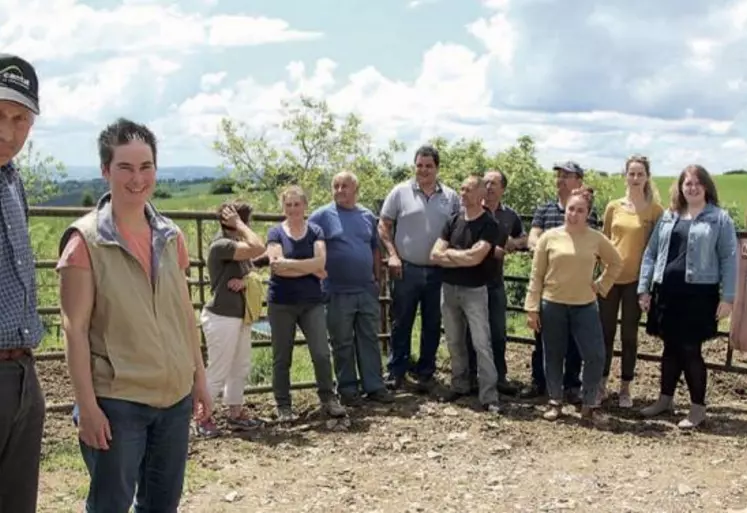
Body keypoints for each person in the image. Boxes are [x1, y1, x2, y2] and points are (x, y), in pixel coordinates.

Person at [57, 118, 212, 512]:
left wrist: (199, 378)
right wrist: (86, 406)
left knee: (163, 505)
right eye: (125, 167)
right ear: (105, 170)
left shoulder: (171, 236)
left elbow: (183, 316)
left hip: (174, 398)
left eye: (146, 167)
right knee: (110, 505)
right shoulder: (84, 242)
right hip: (117, 400)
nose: (136, 178)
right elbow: (73, 331)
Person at [638, 165, 737, 429]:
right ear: (680, 187)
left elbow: (729, 258)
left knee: (691, 350)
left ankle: (697, 408)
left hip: (698, 295)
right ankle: (665, 400)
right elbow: (650, 253)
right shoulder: (669, 216)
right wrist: (644, 288)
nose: (692, 188)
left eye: (697, 183)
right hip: (667, 292)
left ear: (706, 187)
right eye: (687, 183)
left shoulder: (719, 219)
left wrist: (728, 297)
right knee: (669, 348)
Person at [524, 186, 622, 422]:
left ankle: (590, 404)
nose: (574, 214)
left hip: (585, 305)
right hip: (553, 303)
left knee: (595, 354)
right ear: (565, 210)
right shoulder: (549, 237)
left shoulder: (596, 238)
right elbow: (536, 274)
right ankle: (555, 401)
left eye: (580, 210)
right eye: (571, 209)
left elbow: (616, 263)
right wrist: (532, 307)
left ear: (587, 213)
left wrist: (600, 286)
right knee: (553, 354)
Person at [0, 53, 46, 513]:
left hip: (21, 374)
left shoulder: (13, 180)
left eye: (20, 119)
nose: (8, 132)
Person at [378, 145, 460, 392]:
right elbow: (383, 225)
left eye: (429, 166)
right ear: (414, 166)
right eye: (419, 165)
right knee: (401, 321)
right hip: (407, 269)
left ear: (437, 168)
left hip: (438, 270)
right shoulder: (400, 192)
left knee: (433, 323)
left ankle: (426, 371)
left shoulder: (451, 197)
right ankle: (396, 370)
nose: (423, 170)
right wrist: (392, 255)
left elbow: (458, 230)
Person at [309, 171, 394, 406]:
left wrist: (377, 280)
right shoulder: (321, 216)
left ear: (355, 190)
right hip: (336, 290)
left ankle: (374, 386)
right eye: (335, 186)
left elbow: (375, 248)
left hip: (365, 289)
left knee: (369, 338)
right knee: (342, 341)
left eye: (344, 186)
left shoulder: (367, 216)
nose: (339, 190)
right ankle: (347, 389)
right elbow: (308, 244)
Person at [266, 185, 347, 422]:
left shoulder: (315, 230)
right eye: (288, 205)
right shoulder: (275, 232)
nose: (293, 209)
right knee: (282, 356)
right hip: (281, 302)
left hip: (311, 302)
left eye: (297, 204)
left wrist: (292, 266)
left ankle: (328, 398)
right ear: (283, 207)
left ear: (305, 206)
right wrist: (311, 268)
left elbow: (322, 260)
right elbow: (276, 266)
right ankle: (283, 405)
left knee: (322, 353)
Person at [522, 161, 600, 402]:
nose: (561, 180)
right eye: (559, 175)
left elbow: (592, 245)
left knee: (576, 342)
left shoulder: (589, 212)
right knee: (543, 338)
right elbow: (533, 238)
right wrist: (547, 248)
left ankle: (571, 385)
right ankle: (540, 382)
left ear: (579, 181)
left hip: (577, 288)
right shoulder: (545, 209)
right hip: (548, 286)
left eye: (567, 175)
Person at [430, 176, 505, 413]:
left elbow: (476, 258)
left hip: (475, 290)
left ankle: (489, 394)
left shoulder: (489, 224)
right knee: (454, 340)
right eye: (461, 188)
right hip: (449, 288)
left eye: (469, 189)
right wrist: (462, 257)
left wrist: (450, 255)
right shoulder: (453, 220)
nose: (463, 193)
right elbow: (434, 255)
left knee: (481, 342)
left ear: (481, 194)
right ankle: (460, 384)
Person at [195, 201, 266, 438]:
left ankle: (235, 414)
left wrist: (246, 282)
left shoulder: (234, 245)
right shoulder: (222, 245)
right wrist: (238, 224)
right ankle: (200, 418)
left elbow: (252, 271)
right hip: (222, 316)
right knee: (218, 370)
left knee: (239, 367)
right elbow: (258, 247)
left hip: (239, 315)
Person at [597, 155, 663, 407]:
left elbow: (657, 248)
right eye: (631, 174)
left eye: (640, 174)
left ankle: (625, 386)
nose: (635, 179)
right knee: (605, 332)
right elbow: (603, 241)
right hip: (610, 278)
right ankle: (601, 383)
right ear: (625, 176)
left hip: (637, 280)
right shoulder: (613, 207)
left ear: (647, 177)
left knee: (629, 335)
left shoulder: (656, 210)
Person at [465, 169, 527, 396]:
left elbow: (524, 237)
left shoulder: (510, 216)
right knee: (470, 332)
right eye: (486, 183)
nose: (489, 187)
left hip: (494, 281)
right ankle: (472, 376)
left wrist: (513, 243)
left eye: (494, 184)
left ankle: (499, 376)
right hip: (470, 281)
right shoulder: (470, 211)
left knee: (498, 332)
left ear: (503, 189)